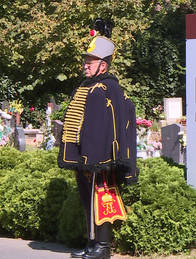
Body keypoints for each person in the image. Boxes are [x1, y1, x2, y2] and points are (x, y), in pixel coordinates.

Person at [58, 19, 138, 259]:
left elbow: (110, 125)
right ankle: (92, 244)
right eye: (85, 61)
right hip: (85, 157)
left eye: (89, 62)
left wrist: (101, 156)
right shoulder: (88, 87)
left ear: (102, 66)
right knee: (87, 201)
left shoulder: (109, 88)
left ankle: (103, 248)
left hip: (101, 158)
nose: (85, 65)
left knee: (102, 200)